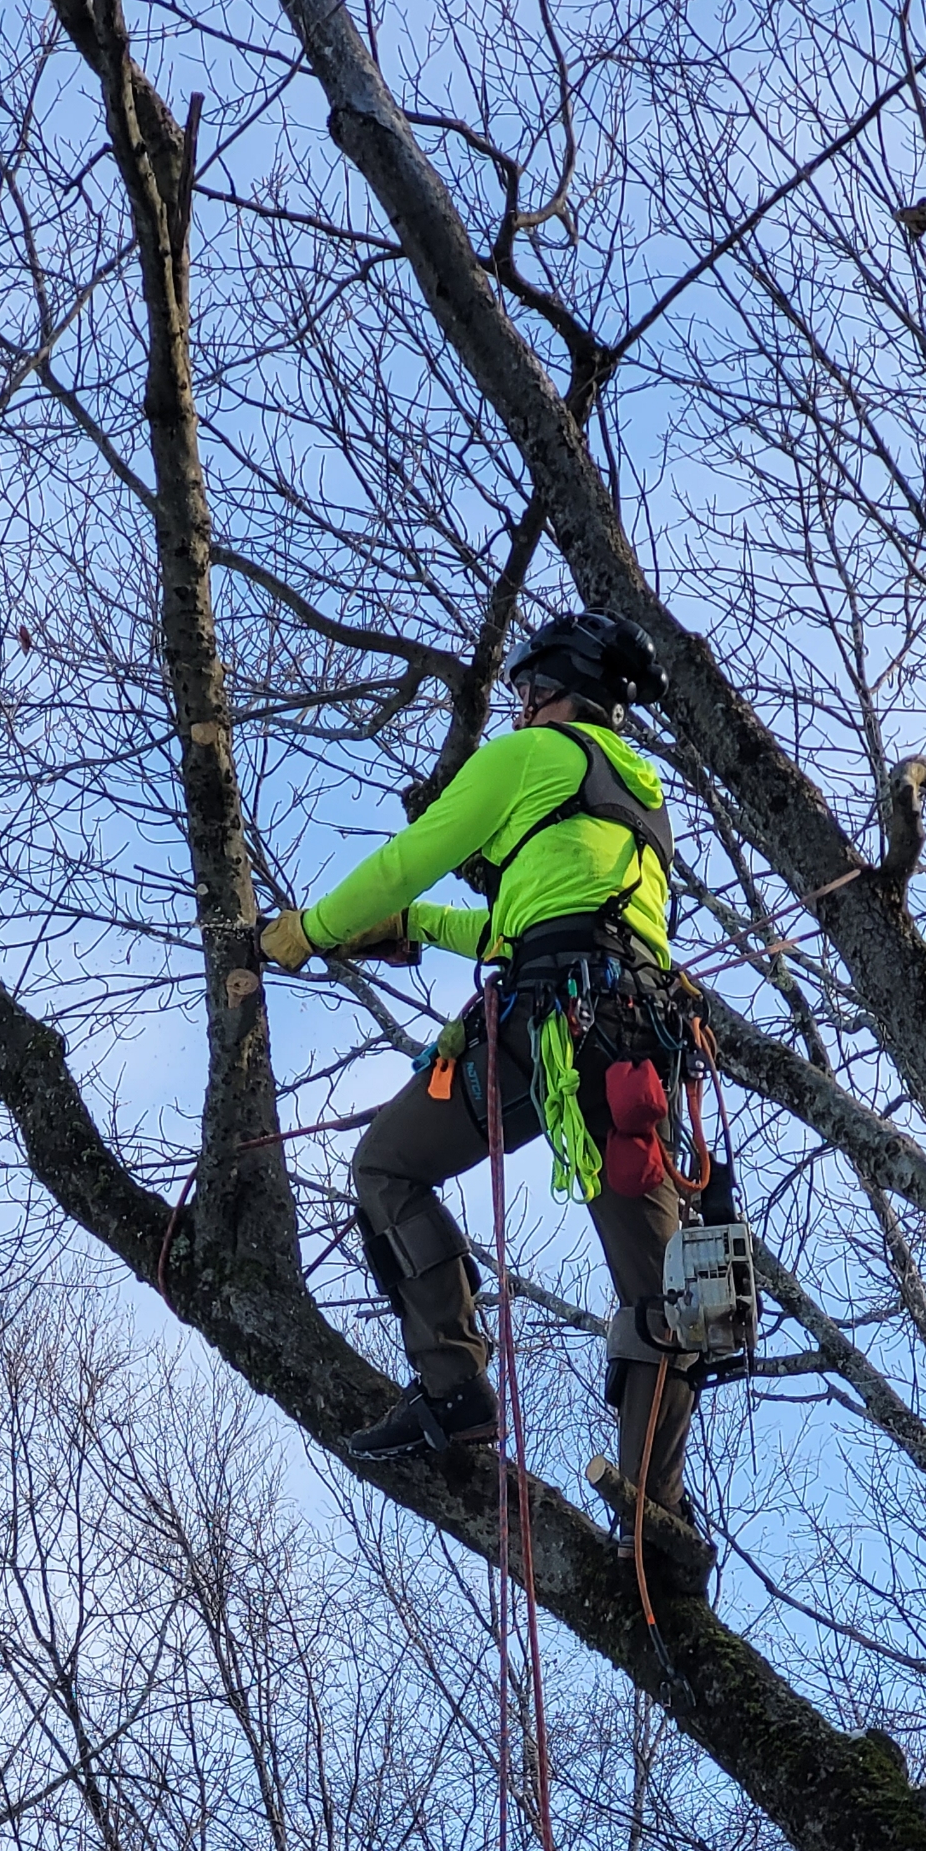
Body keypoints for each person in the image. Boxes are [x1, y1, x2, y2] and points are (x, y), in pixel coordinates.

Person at [259, 609, 705, 1528]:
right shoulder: (638, 800)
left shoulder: (527, 759)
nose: (516, 712)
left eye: (524, 694)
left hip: (550, 1026)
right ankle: (654, 1518)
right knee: (662, 1295)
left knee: (386, 1166)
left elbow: (406, 863)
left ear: (554, 689)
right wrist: (424, 929)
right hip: (630, 1044)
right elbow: (532, 924)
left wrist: (308, 934)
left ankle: (456, 1390)